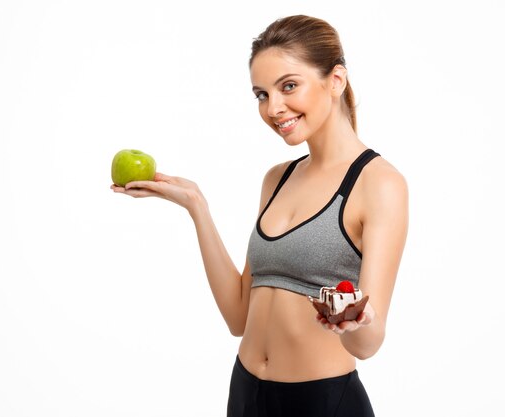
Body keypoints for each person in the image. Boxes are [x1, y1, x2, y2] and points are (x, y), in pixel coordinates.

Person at [111, 14, 408, 417]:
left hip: (321, 403)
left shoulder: (379, 184)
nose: (273, 108)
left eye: (288, 86)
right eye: (261, 94)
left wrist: (354, 320)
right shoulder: (277, 179)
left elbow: (368, 345)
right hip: (246, 393)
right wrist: (197, 206)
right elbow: (239, 316)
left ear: (335, 80)